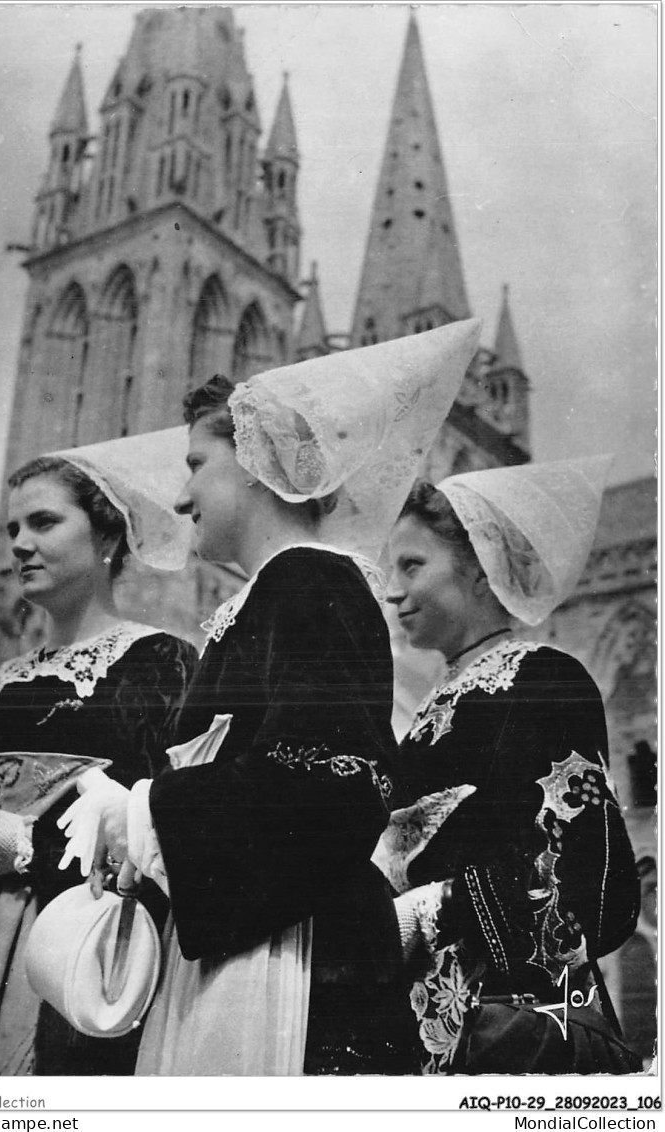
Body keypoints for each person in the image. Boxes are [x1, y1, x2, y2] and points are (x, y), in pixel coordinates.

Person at [56, 318, 483, 1075]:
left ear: (255, 464)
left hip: (291, 963)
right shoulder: (270, 594)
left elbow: (337, 784)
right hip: (241, 942)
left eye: (196, 463)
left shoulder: (313, 581)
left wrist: (145, 809)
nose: (182, 496)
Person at [0, 436, 198, 1076]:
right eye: (12, 527)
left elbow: (156, 833)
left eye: (44, 522)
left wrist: (23, 842)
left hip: (76, 942)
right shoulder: (4, 681)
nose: (19, 543)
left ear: (107, 537)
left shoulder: (159, 663)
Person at [377, 459, 641, 1074]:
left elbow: (592, 885)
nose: (391, 590)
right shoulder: (424, 713)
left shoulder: (542, 680)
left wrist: (438, 904)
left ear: (475, 563)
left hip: (510, 1028)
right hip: (408, 1021)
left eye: (412, 565)